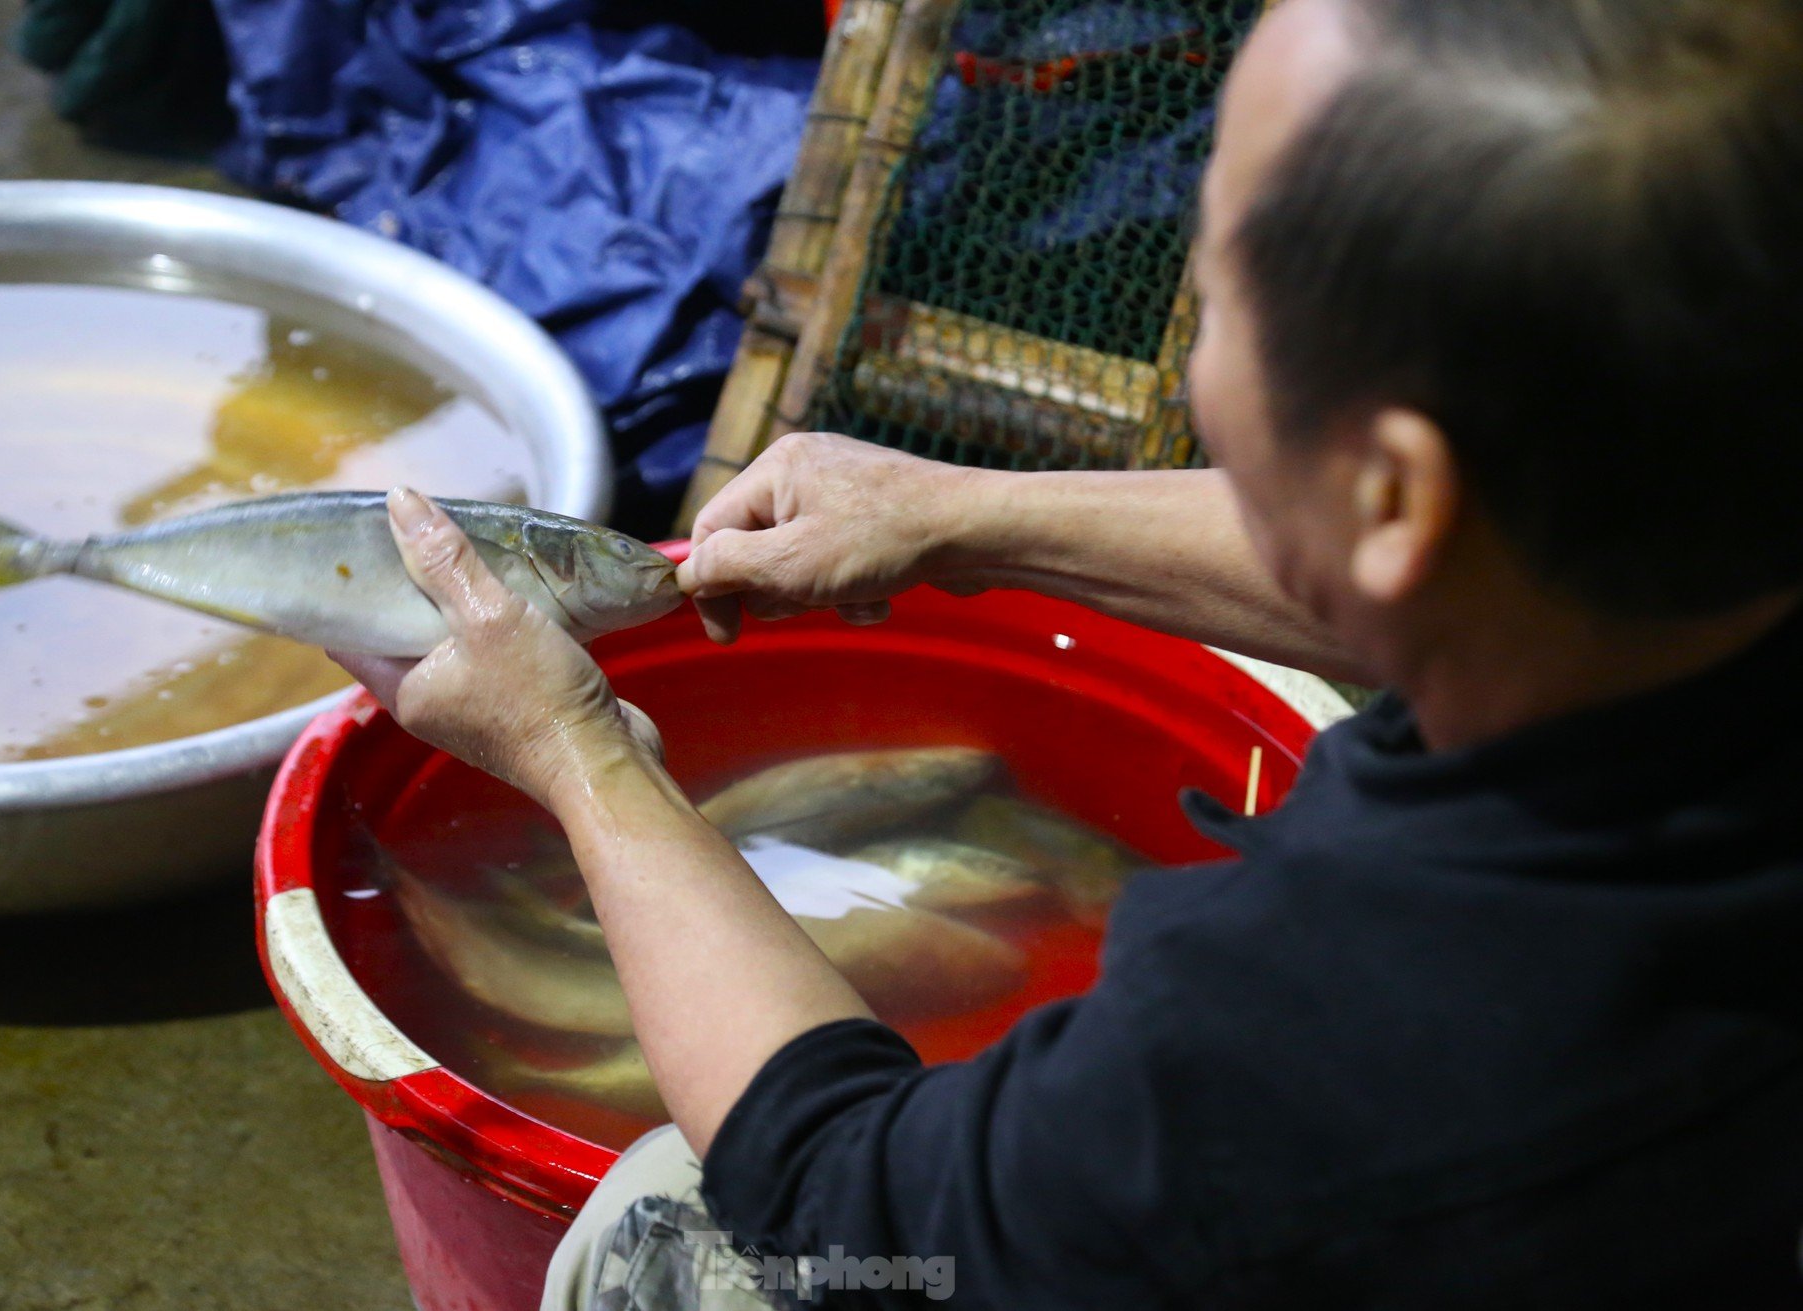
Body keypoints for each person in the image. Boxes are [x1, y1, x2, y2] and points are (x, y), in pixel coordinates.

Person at [330, 0, 1803, 1304]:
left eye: (1217, 296)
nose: (1199, 330)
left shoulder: (1334, 1044)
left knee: (666, 1217)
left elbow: (840, 1195)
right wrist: (961, 514)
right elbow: (1470, 575)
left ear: (1389, 495)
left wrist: (581, 755)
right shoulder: (1681, 571)